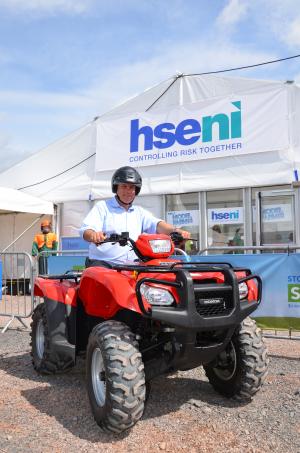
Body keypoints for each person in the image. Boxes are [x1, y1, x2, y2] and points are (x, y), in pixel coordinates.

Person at [80, 166, 190, 267]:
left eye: (131, 187)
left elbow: (156, 224)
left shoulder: (139, 212)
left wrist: (176, 231)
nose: (128, 191)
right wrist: (94, 235)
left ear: (136, 190)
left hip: (132, 266)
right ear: (116, 188)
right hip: (104, 264)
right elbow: (86, 230)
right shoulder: (103, 207)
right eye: (124, 186)